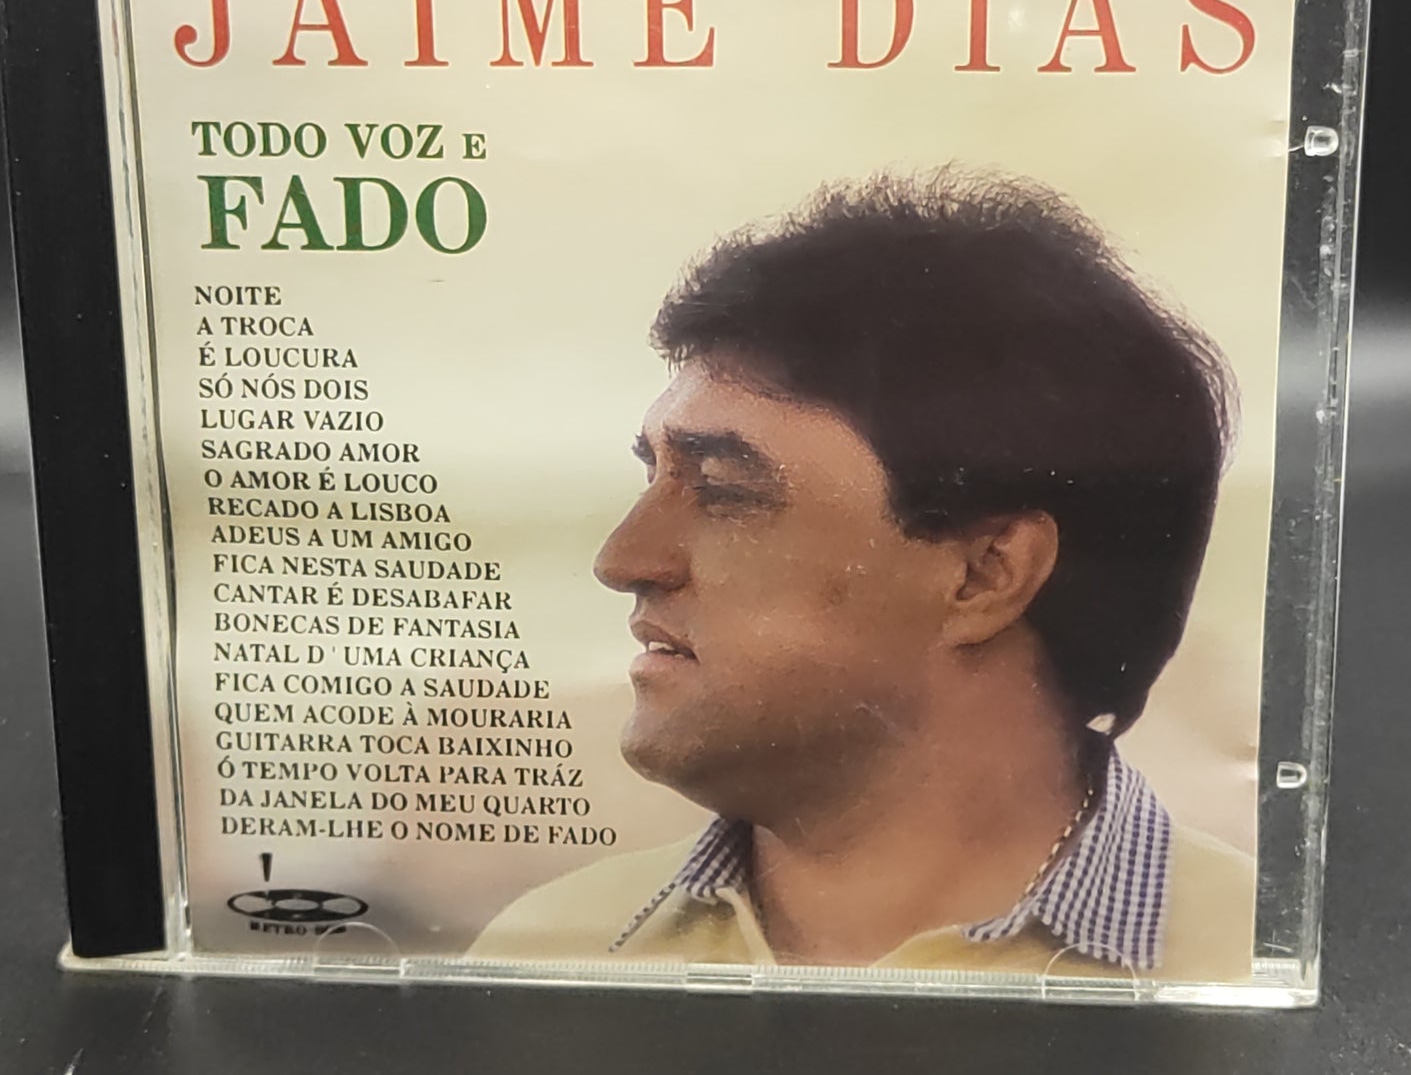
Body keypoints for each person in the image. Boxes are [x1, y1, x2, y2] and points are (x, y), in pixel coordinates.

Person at [473, 170, 1254, 979]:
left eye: (725, 490)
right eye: (654, 476)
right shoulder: (553, 949)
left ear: (984, 573)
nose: (624, 561)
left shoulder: (1241, 970)